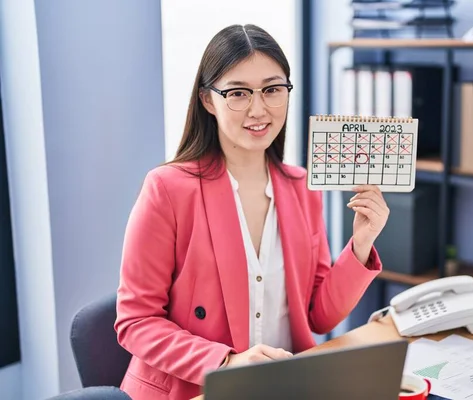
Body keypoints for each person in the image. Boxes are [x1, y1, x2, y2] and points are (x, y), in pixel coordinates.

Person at [114, 23, 390, 400]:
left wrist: (361, 244)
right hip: (191, 391)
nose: (259, 109)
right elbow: (136, 321)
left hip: (279, 388)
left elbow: (319, 316)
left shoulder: (300, 187)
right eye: (238, 93)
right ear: (208, 101)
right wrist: (226, 363)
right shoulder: (167, 188)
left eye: (273, 90)